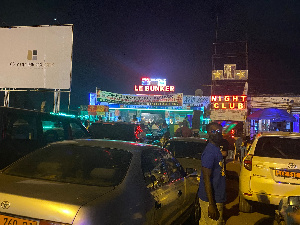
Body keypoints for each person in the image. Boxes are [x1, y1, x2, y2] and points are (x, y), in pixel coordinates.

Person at [198, 122, 226, 225]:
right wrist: (211, 204)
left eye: (219, 131)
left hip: (216, 197)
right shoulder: (209, 152)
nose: (217, 134)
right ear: (208, 134)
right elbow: (206, 179)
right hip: (211, 199)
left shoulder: (216, 149)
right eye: (213, 131)